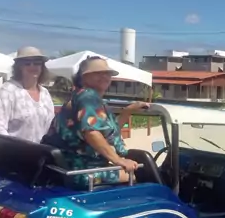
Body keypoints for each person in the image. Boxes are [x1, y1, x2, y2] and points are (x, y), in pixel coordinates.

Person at [44, 56, 149, 186]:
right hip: (82, 170)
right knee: (143, 174)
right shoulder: (88, 97)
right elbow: (91, 132)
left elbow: (108, 133)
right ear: (83, 77)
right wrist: (118, 160)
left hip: (74, 166)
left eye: (107, 73)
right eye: (97, 73)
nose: (104, 76)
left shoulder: (84, 97)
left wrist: (127, 111)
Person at [0, 46, 55, 142]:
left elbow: (50, 126)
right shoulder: (9, 90)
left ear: (42, 66)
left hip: (41, 150)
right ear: (20, 67)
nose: (32, 66)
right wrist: (15, 146)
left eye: (37, 63)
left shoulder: (45, 94)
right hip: (14, 150)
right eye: (27, 63)